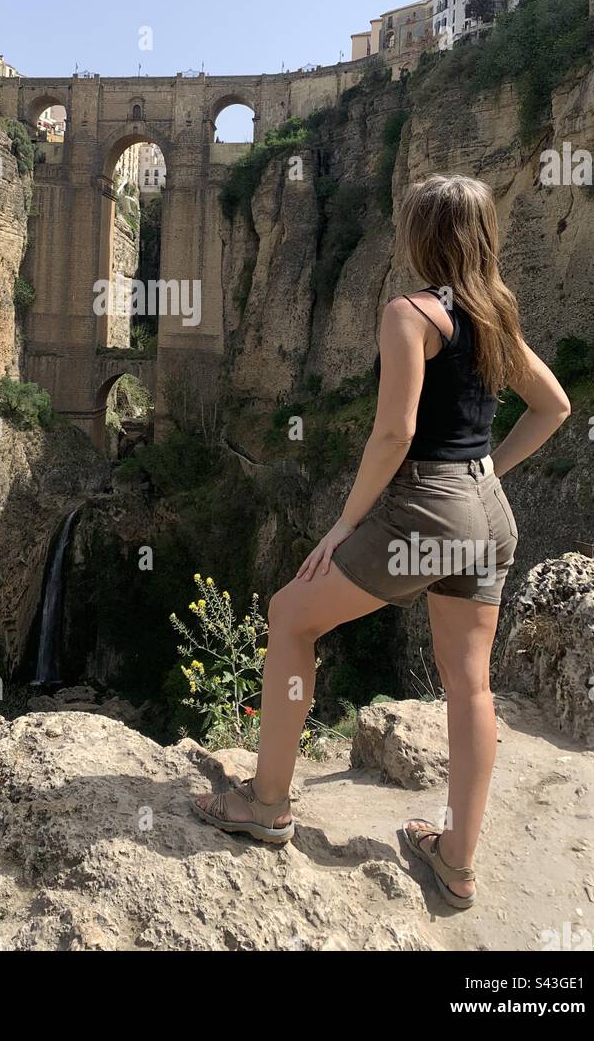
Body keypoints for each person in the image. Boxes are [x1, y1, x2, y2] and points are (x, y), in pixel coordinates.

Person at [193, 174, 571, 910]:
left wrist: (342, 525)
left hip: (427, 510)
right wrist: (490, 468)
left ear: (416, 236)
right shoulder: (496, 313)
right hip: (487, 514)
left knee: (290, 616)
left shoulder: (410, 313)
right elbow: (552, 407)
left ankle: (265, 804)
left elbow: (394, 433)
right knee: (469, 684)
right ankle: (456, 862)